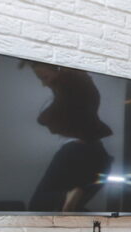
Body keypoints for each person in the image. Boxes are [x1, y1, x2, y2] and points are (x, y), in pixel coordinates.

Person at [23, 61, 114, 213]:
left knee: (38, 205)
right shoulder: (84, 90)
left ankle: (67, 196)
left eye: (44, 77)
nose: (44, 84)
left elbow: (46, 118)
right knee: (71, 211)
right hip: (100, 156)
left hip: (75, 152)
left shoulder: (71, 86)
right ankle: (68, 198)